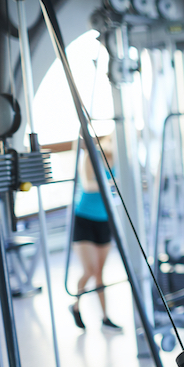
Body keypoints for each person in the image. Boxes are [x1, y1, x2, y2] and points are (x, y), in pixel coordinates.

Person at [69, 136, 122, 331]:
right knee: (90, 271)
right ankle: (75, 305)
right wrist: (111, 184)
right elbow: (88, 185)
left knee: (100, 273)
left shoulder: (114, 159)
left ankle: (105, 317)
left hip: (103, 220)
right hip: (85, 219)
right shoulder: (90, 158)